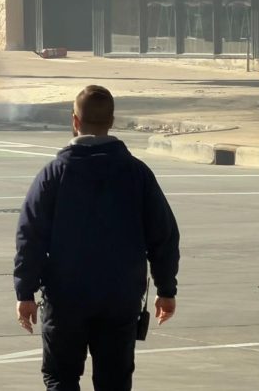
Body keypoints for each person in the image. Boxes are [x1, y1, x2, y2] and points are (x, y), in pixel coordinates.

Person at [13, 85, 180, 391]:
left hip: (66, 297)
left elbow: (30, 236)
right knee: (114, 381)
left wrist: (25, 293)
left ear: (74, 120)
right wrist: (166, 288)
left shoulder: (54, 174)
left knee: (61, 378)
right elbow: (164, 234)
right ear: (112, 120)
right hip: (120, 296)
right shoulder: (137, 173)